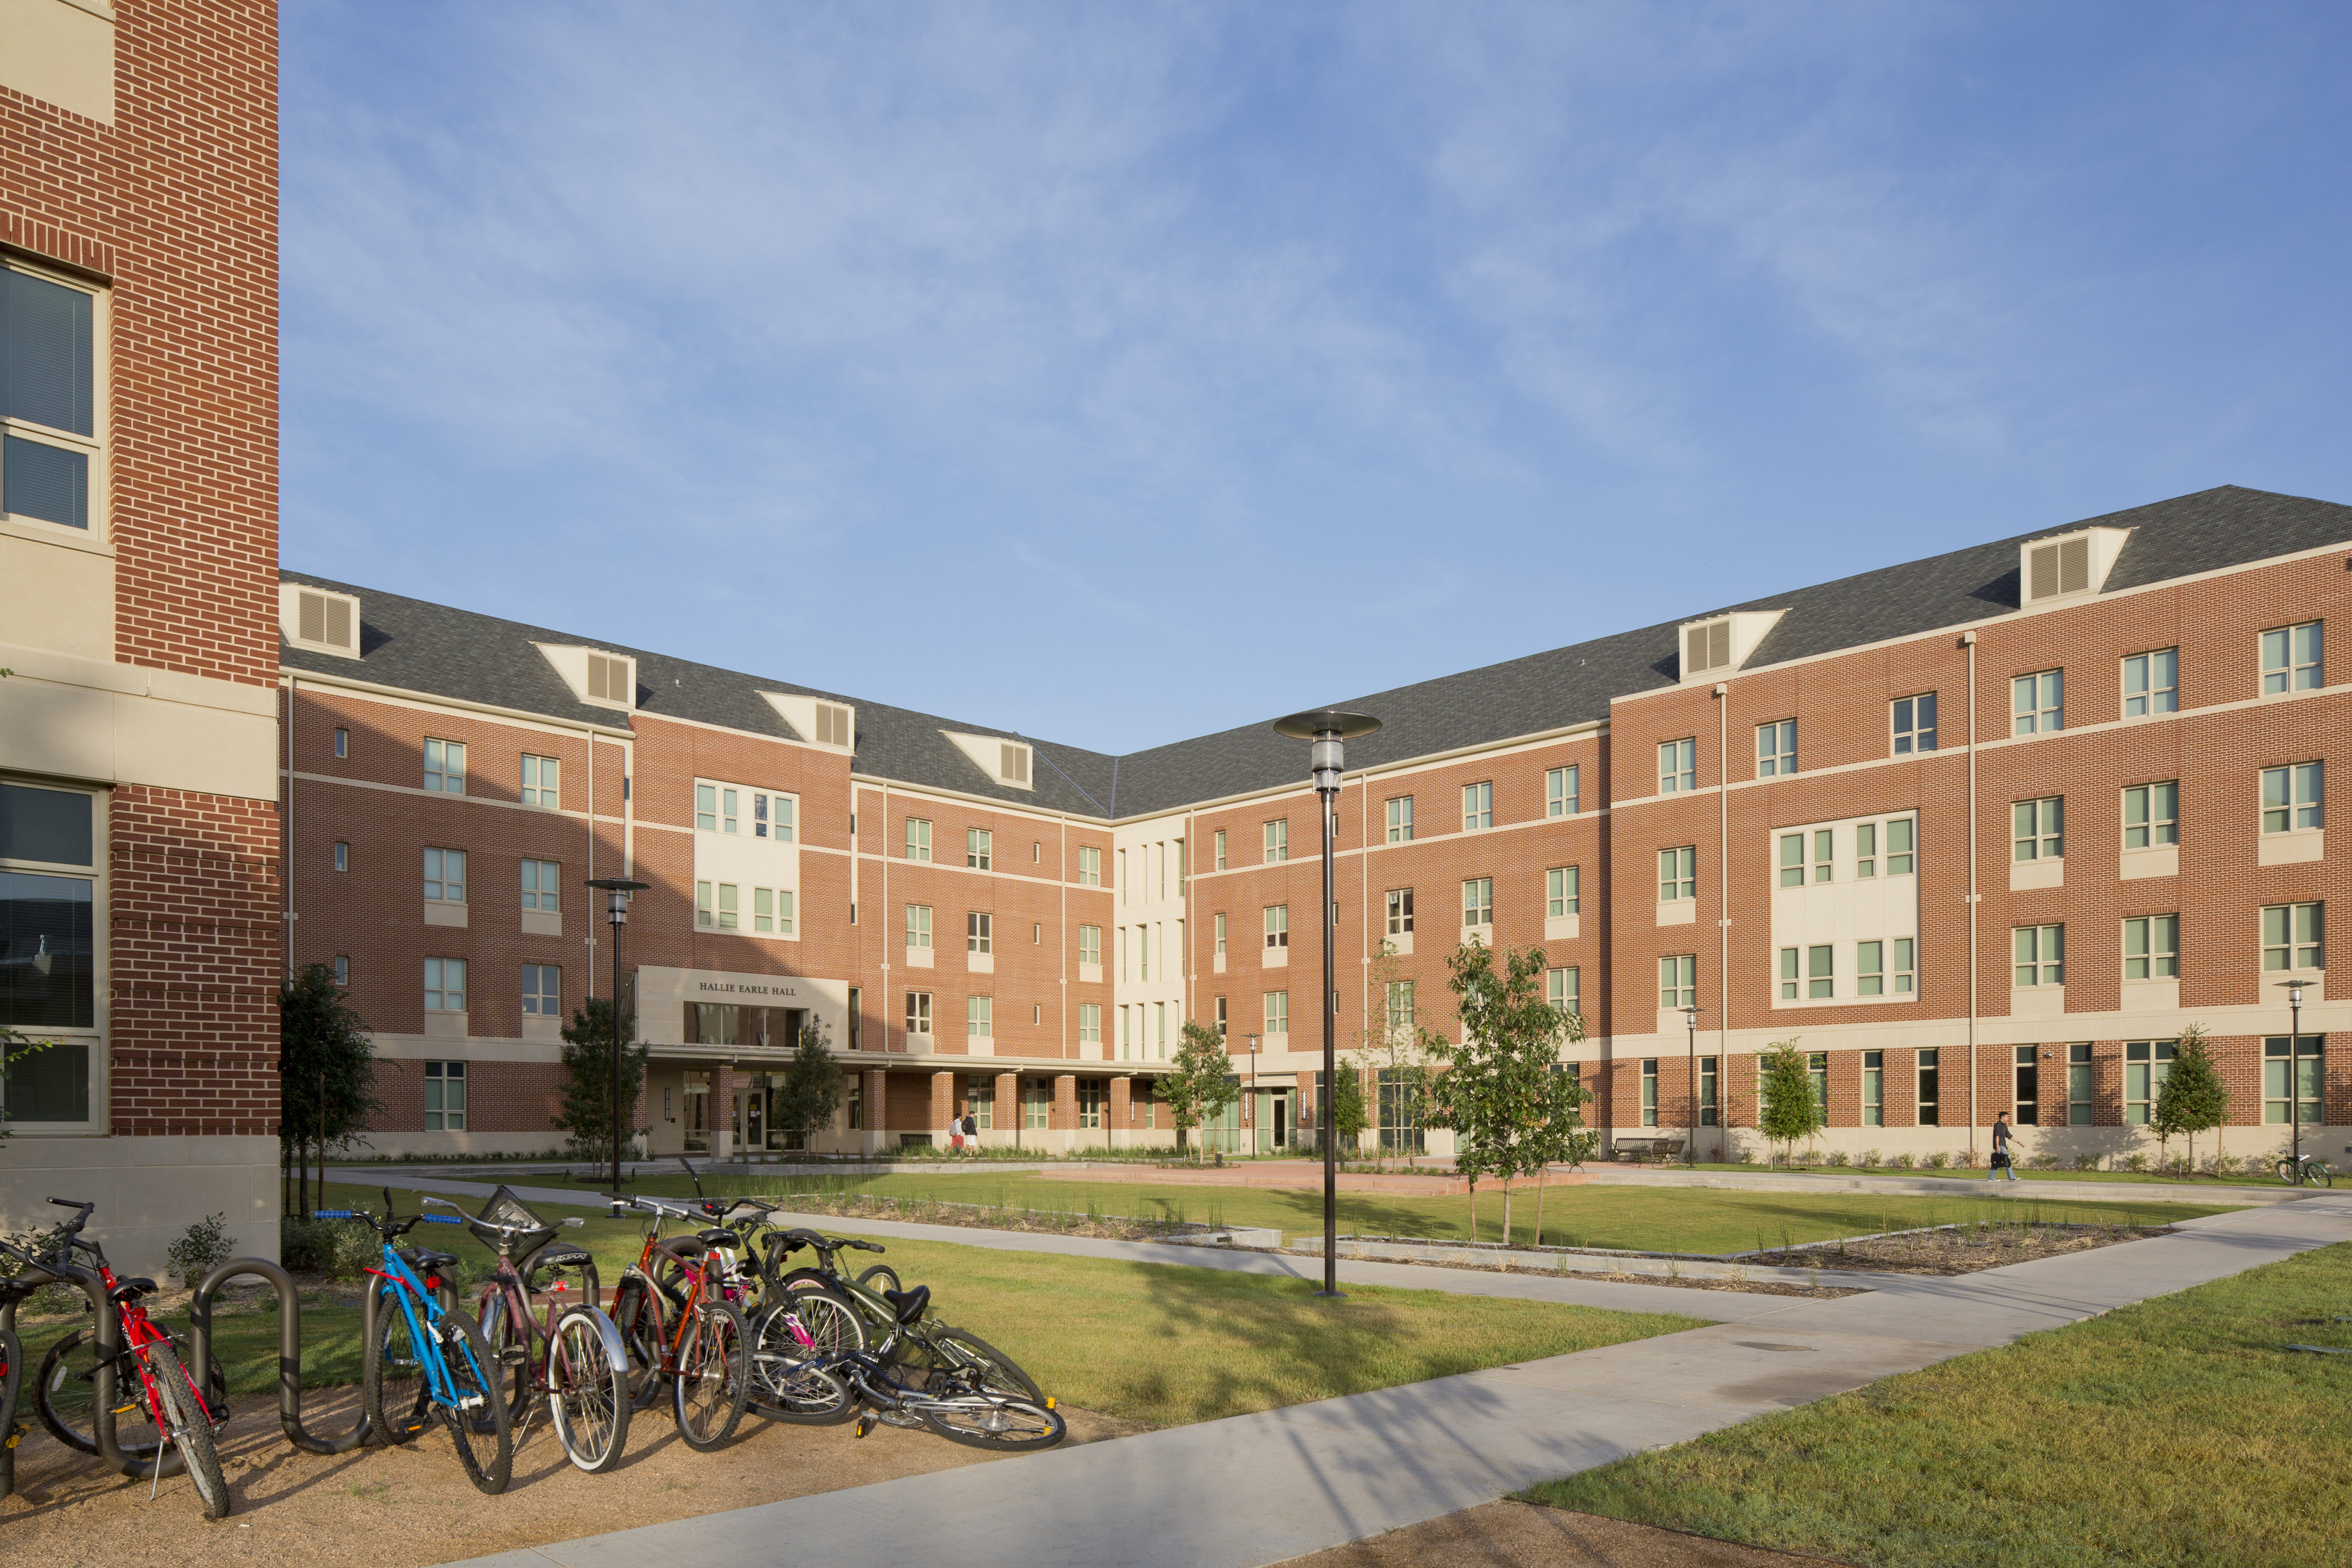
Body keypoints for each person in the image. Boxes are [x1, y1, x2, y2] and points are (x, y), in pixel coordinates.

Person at [1990, 1113, 2021, 1181]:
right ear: (2002, 1117)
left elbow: (2009, 1136)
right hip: (2000, 1145)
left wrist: (2019, 1142)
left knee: (1997, 1161)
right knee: (2007, 1160)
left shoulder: (2004, 1126)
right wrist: (1998, 1146)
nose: (2008, 1118)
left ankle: (1991, 1178)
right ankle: (2012, 1177)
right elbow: (1997, 1136)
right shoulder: (1998, 1125)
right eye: (2007, 1117)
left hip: (2002, 1145)